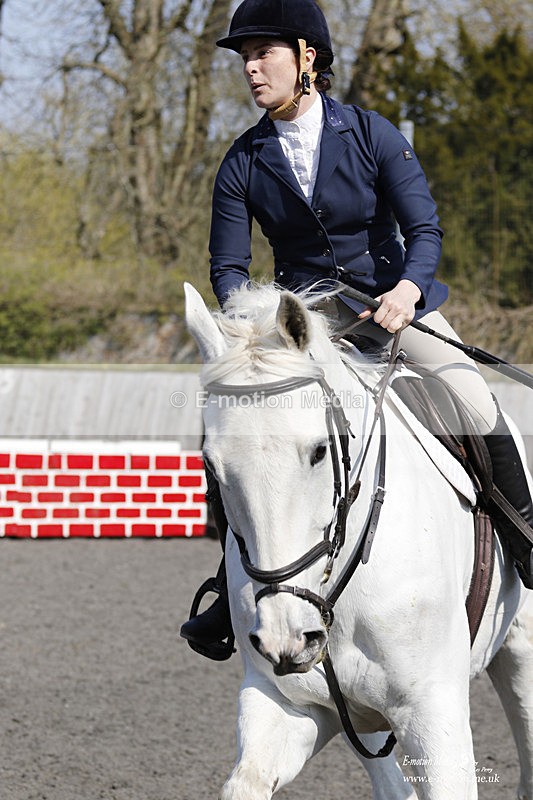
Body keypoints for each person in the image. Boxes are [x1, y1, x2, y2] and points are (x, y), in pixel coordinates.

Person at [181, 0, 532, 659]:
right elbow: (228, 266)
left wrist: (407, 289)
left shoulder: (372, 133)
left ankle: (525, 539)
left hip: (393, 305)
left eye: (264, 53)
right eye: (245, 57)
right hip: (301, 323)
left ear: (307, 57)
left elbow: (424, 230)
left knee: (474, 401)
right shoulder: (242, 160)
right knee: (234, 423)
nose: (251, 68)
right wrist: (249, 326)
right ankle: (228, 585)